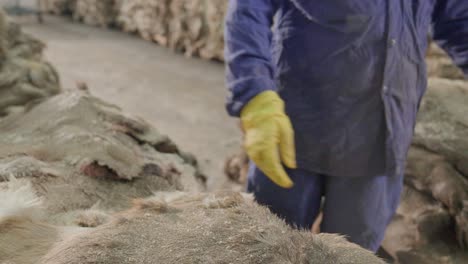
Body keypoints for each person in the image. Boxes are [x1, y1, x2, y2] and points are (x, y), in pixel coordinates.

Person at [224, 0, 468, 252]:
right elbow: (248, 9)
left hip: (381, 135)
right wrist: (255, 94)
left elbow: (459, 21)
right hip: (299, 125)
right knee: (269, 245)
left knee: (351, 252)